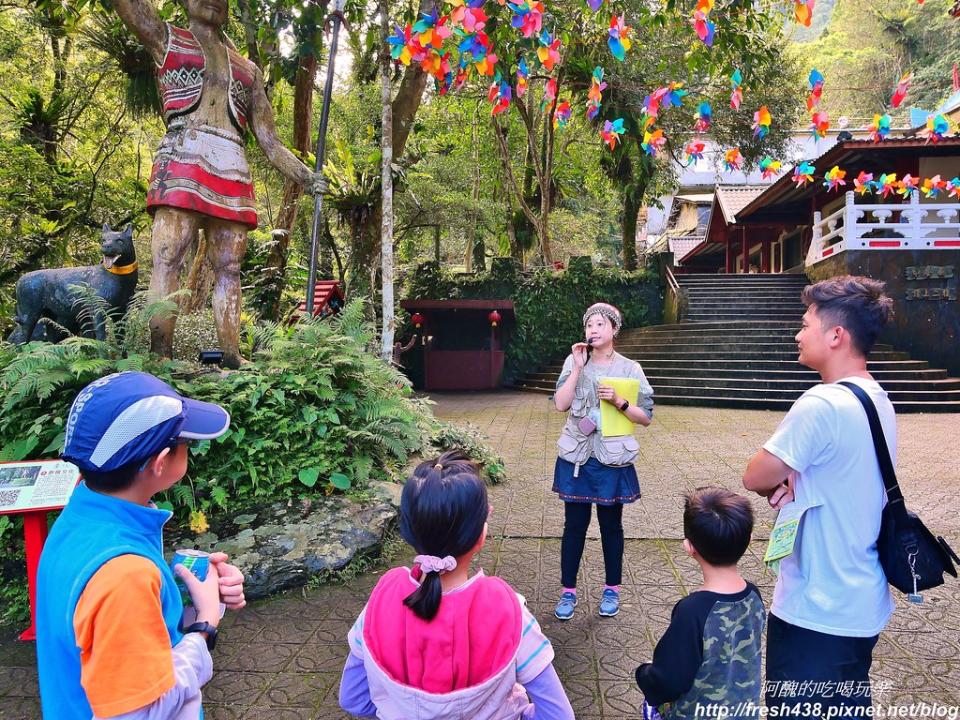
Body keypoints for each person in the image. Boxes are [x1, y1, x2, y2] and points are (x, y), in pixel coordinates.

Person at [111, 0, 326, 368]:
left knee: (230, 267)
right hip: (181, 153)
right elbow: (131, 9)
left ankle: (231, 353)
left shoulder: (249, 70)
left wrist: (307, 176)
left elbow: (269, 140)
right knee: (168, 258)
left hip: (231, 163)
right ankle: (160, 354)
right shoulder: (167, 39)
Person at [36, 371, 245, 719]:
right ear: (161, 463)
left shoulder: (81, 514)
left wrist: (191, 596)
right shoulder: (125, 574)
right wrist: (205, 625)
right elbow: (141, 710)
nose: (189, 451)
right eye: (186, 444)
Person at [742, 276, 896, 716]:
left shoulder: (822, 403)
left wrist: (786, 476)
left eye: (806, 322)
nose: (798, 332)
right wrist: (800, 479)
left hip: (817, 607)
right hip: (861, 598)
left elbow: (755, 475)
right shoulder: (876, 398)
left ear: (836, 335)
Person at [338, 451, 575, 720]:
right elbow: (559, 716)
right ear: (480, 536)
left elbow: (353, 700)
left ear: (408, 531)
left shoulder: (380, 603)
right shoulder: (508, 612)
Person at [552, 302, 654, 620]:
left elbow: (646, 417)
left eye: (599, 324)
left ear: (613, 329)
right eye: (589, 325)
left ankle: (612, 589)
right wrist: (579, 368)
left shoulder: (630, 368)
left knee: (611, 527)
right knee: (574, 527)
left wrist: (620, 401)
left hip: (612, 459)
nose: (593, 330)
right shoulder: (574, 361)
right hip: (577, 457)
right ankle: (568, 592)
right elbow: (560, 404)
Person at [635, 488, 764, 720]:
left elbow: (669, 680)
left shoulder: (693, 611)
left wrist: (644, 674)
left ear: (689, 547)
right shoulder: (754, 596)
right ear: (750, 540)